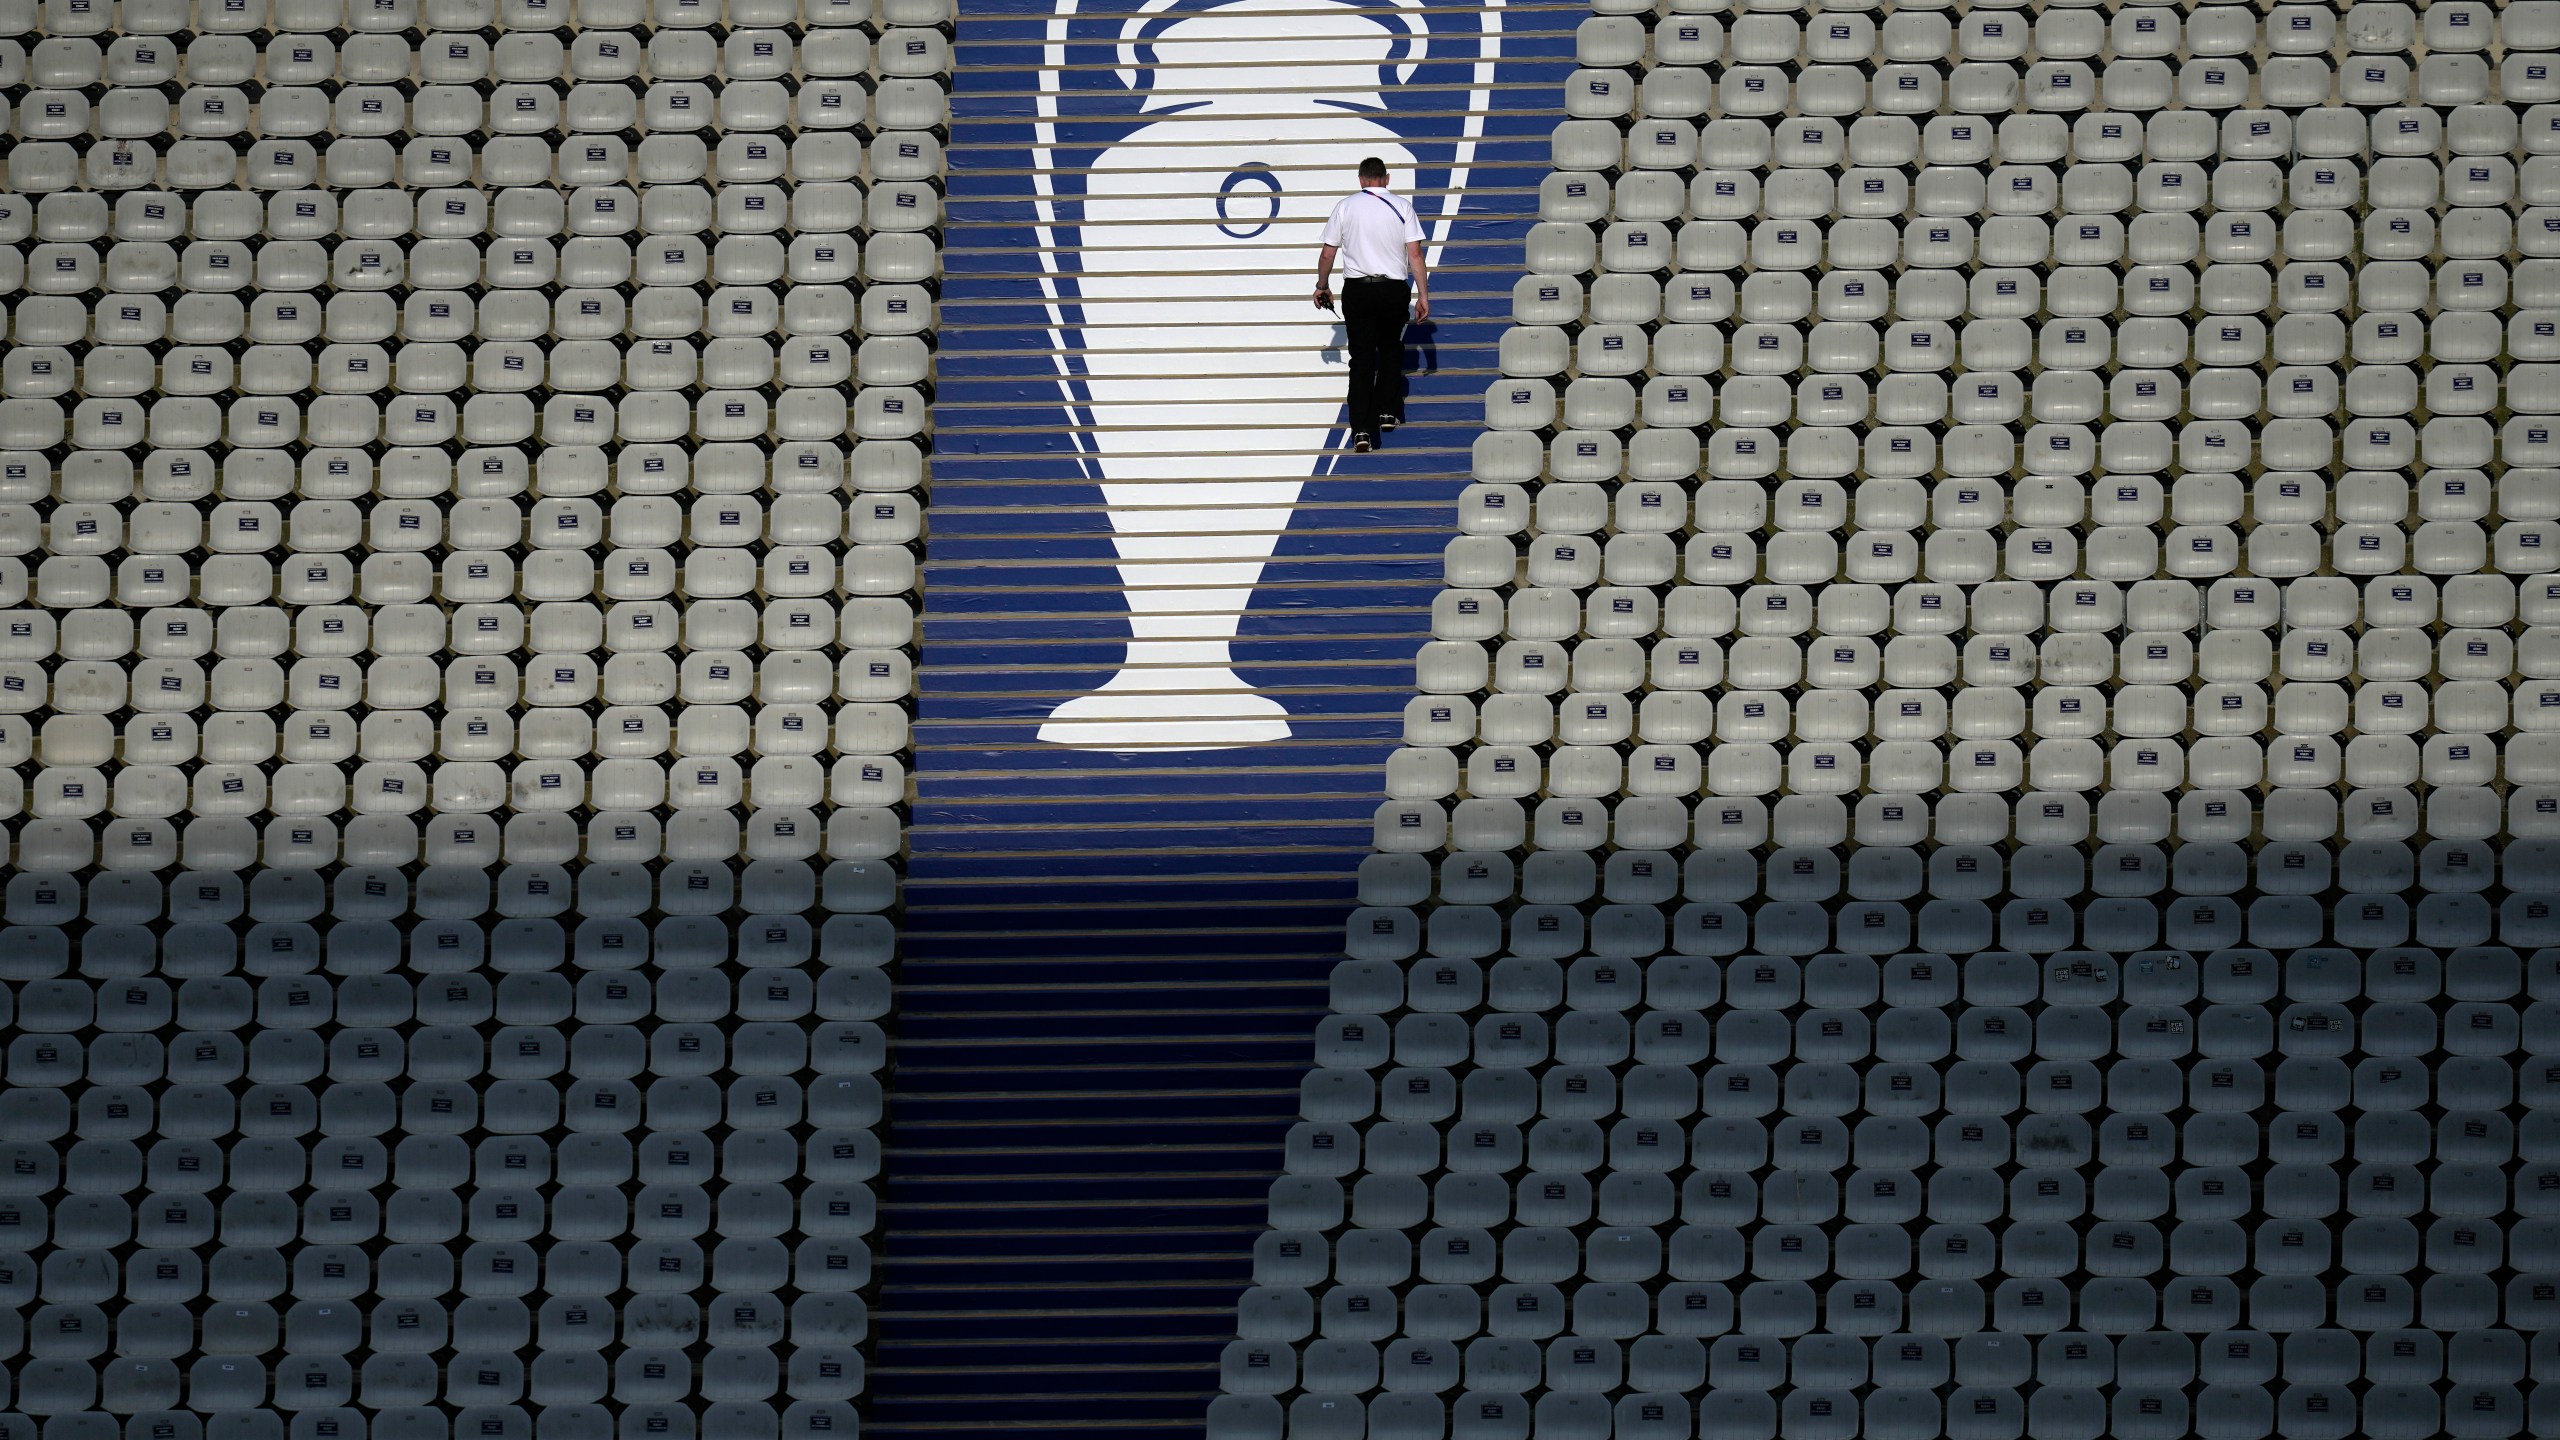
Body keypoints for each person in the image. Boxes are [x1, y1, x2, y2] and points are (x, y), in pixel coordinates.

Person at [1312, 157, 1429, 453]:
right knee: (1390, 349)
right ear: (1386, 179)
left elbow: (1327, 255)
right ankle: (1388, 411)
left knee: (1361, 360)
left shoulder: (1346, 206)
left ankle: (1362, 431)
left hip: (1358, 290)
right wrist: (1423, 296)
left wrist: (1322, 286)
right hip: (1393, 289)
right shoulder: (1403, 207)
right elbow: (1415, 255)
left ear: (1361, 179)